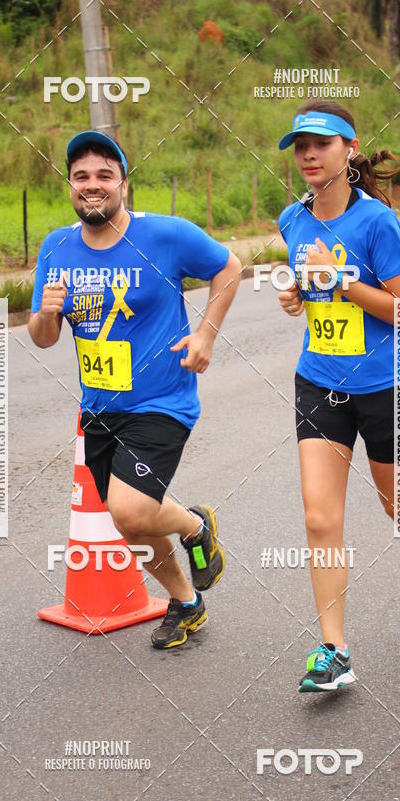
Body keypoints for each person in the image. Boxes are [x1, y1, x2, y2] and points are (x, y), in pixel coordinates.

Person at [29, 130, 241, 648]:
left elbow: (229, 267)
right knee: (132, 526)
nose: (92, 185)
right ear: (70, 186)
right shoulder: (56, 246)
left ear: (123, 182)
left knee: (130, 509)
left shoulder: (163, 236)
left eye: (105, 175)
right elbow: (42, 337)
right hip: (100, 406)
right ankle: (186, 602)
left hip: (161, 401)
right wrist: (47, 311)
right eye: (82, 177)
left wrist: (205, 334)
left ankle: (193, 525)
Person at [276, 102, 400, 693]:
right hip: (320, 381)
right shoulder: (291, 220)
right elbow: (310, 284)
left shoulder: (376, 222)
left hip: (390, 385)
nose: (307, 155)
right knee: (320, 517)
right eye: (299, 145)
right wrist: (300, 295)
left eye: (320, 144)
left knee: (399, 506)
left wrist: (342, 283)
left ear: (349, 150)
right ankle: (335, 650)